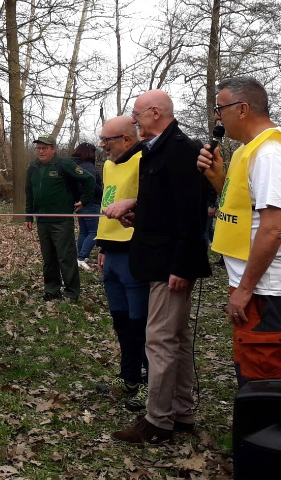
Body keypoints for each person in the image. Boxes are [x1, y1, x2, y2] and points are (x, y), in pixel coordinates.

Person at [108, 90, 210, 444]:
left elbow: (191, 212)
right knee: (177, 340)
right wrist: (140, 214)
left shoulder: (181, 149)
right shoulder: (158, 149)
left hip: (171, 265)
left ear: (155, 112)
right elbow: (166, 206)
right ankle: (181, 413)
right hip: (157, 258)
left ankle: (157, 421)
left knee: (159, 341)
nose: (134, 120)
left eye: (137, 114)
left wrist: (182, 266)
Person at [197, 76, 281, 388]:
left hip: (267, 288)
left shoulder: (270, 154)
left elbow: (273, 228)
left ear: (242, 109)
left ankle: (264, 434)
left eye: (219, 107)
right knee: (252, 369)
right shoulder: (246, 151)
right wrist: (217, 176)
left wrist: (245, 289)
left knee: (263, 378)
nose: (216, 116)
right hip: (253, 284)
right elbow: (240, 208)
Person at [94, 117, 150, 411]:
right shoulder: (107, 165)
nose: (101, 145)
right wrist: (103, 246)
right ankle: (129, 377)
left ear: (127, 139)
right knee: (121, 321)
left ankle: (152, 383)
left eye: (107, 139)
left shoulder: (146, 158)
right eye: (101, 139)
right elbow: (108, 200)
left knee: (141, 322)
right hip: (111, 252)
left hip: (135, 252)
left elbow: (155, 200)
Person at [24, 135, 96, 301]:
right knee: (48, 259)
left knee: (66, 257)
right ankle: (52, 290)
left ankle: (72, 292)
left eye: (45, 148)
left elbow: (89, 179)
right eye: (39, 148)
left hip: (61, 221)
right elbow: (29, 193)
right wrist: (29, 215)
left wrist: (84, 200)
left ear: (53, 149)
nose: (41, 151)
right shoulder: (32, 167)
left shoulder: (64, 164)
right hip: (42, 221)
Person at [72, 143, 103, 270]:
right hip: (91, 203)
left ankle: (81, 258)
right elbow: (89, 183)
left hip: (81, 203)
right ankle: (81, 257)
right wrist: (102, 192)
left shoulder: (76, 166)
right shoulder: (88, 167)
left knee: (84, 231)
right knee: (94, 232)